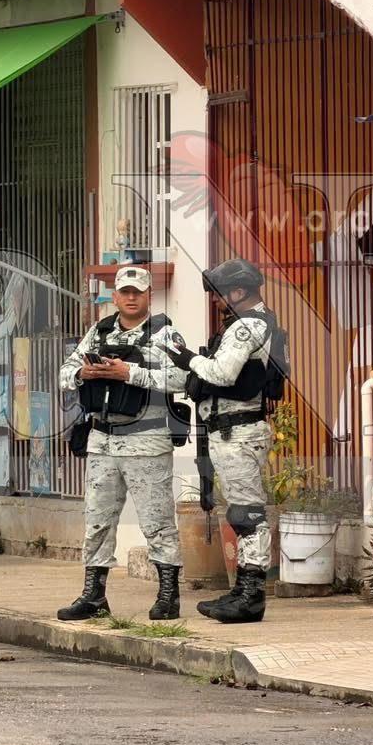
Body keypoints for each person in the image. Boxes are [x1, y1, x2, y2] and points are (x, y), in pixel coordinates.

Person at [56, 266, 189, 623]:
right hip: (102, 441)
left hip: (146, 441)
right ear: (114, 297)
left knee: (157, 521)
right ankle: (93, 595)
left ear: (149, 296)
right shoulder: (98, 332)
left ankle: (168, 596)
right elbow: (64, 373)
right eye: (125, 292)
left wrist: (128, 373)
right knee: (97, 521)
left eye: (138, 292)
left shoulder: (164, 333)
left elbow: (183, 376)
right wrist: (85, 373)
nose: (131, 298)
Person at [163, 257, 281, 624]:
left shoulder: (247, 326)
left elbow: (222, 372)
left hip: (239, 431)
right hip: (231, 431)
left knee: (248, 513)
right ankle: (243, 589)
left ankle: (251, 596)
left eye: (220, 293)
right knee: (241, 512)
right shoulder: (245, 324)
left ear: (240, 291)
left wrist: (186, 358)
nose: (216, 301)